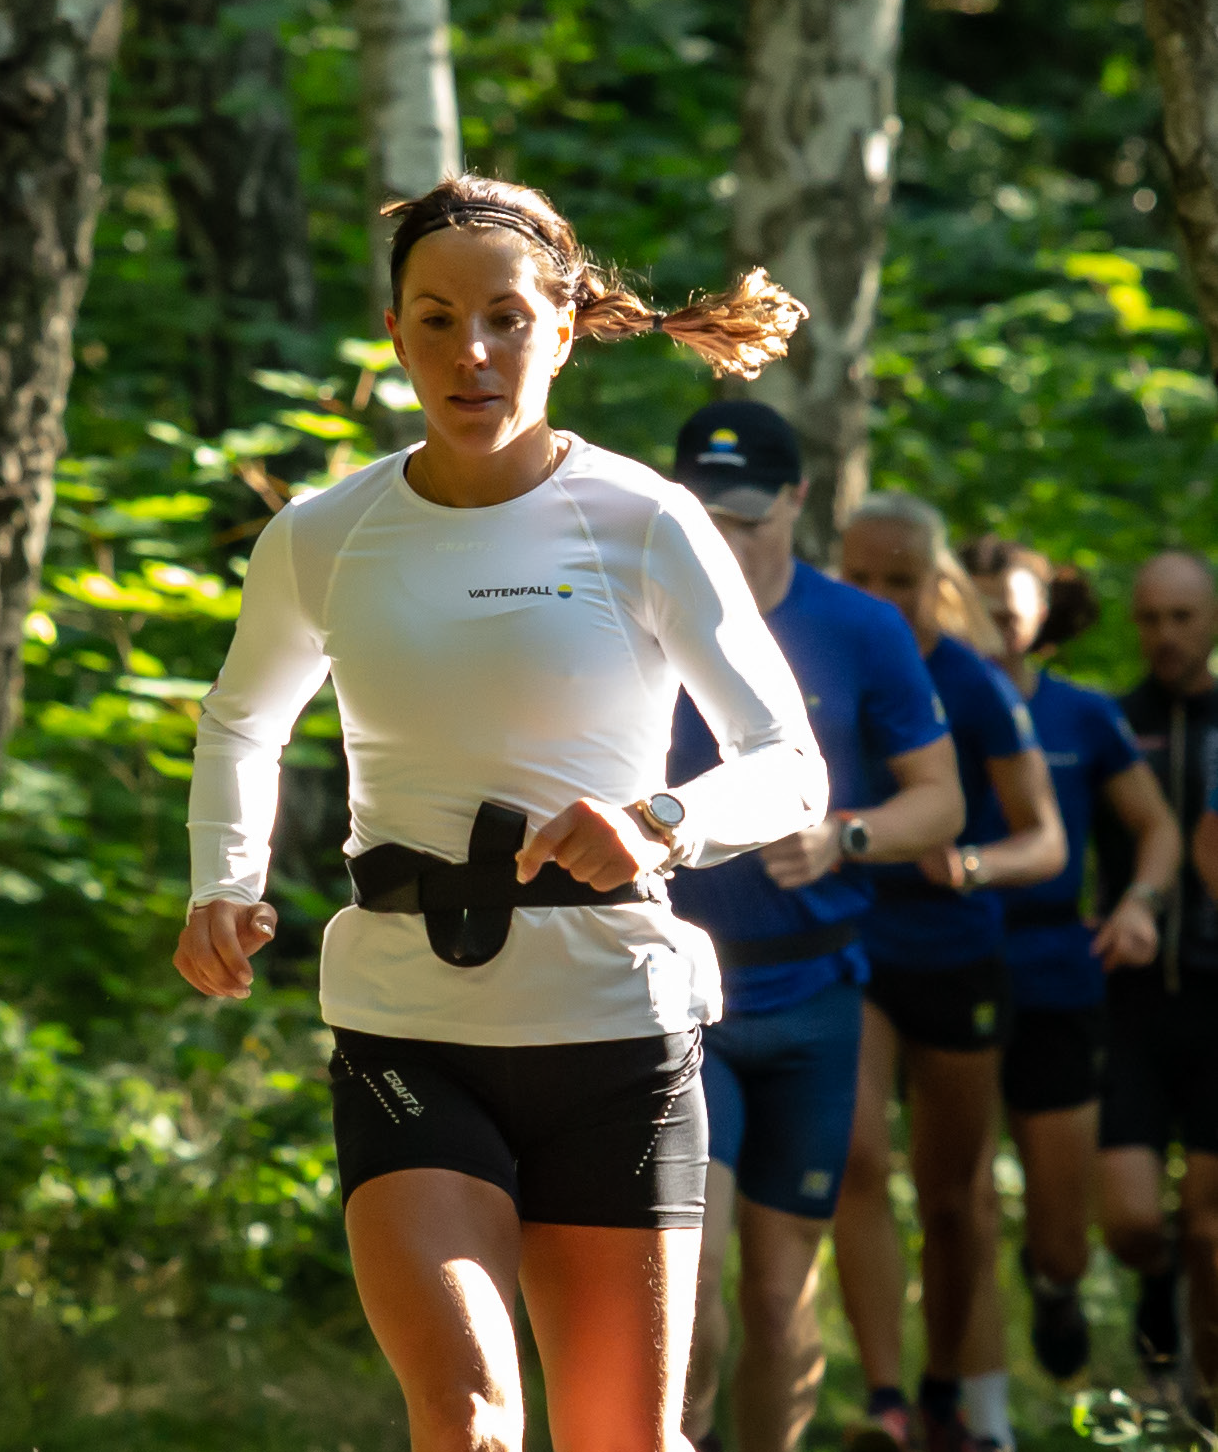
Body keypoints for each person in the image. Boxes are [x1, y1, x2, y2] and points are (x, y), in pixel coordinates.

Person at [171, 173, 831, 1452]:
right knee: (470, 1421)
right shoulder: (324, 535)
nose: (469, 353)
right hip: (407, 1030)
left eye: (506, 319)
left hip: (613, 1033)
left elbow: (787, 764)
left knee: (624, 1441)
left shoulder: (648, 520)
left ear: (566, 326)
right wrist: (223, 877)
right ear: (395, 333)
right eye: (435, 320)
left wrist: (660, 821)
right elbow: (243, 721)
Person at [663, 403, 964, 1452]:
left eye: (749, 519)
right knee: (688, 1292)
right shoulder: (631, 619)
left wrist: (847, 837)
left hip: (813, 1002)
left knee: (784, 1297)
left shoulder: (862, 629)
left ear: (798, 500)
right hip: (676, 1003)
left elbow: (941, 802)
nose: (727, 543)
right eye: (705, 518)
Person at [831, 494, 1066, 1452]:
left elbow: (1046, 841)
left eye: (900, 581)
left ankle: (943, 1390)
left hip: (958, 953)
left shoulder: (972, 685)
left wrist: (972, 864)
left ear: (937, 586)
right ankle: (885, 1399)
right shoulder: (815, 658)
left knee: (954, 1196)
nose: (879, 599)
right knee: (857, 1162)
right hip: (855, 943)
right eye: (860, 579)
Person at [954, 538, 1179, 1443]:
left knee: (1061, 1232)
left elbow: (1154, 827)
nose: (996, 627)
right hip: (948, 965)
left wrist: (1139, 903)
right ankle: (976, 1418)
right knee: (958, 1199)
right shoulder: (923, 704)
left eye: (1011, 611)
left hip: (1057, 972)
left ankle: (1053, 1286)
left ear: (1043, 614)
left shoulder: (1083, 716)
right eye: (978, 610)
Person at [1092, 550, 1218, 1427]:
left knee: (1212, 1227)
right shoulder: (1110, 722)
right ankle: (1156, 1285)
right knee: (1135, 1222)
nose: (1165, 635)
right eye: (1150, 618)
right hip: (1129, 1004)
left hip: (1217, 1006)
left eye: (1182, 617)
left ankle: (1200, 1402)